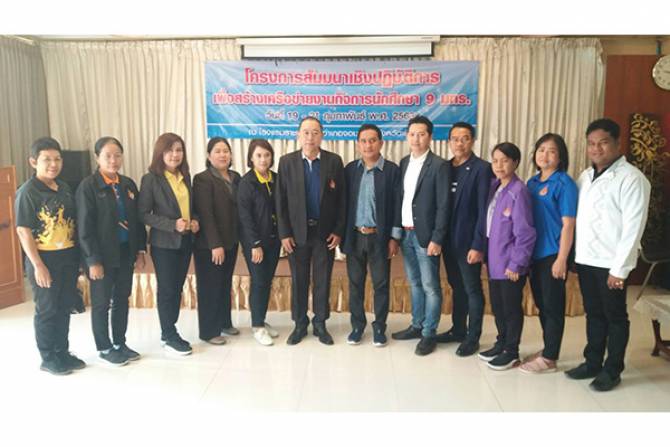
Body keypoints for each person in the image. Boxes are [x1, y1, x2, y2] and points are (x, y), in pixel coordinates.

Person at [565, 118, 650, 391]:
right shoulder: (585, 177)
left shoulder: (632, 179)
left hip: (611, 263)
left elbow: (633, 228)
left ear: (617, 143)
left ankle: (612, 370)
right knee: (593, 314)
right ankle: (592, 362)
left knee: (615, 317)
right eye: (591, 143)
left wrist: (620, 270)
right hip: (587, 259)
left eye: (602, 143)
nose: (596, 149)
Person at [15, 137, 85, 375]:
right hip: (44, 259)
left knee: (65, 306)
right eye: (47, 160)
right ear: (33, 162)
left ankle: (62, 352)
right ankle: (48, 357)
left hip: (67, 256)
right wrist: (38, 266)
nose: (53, 164)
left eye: (57, 159)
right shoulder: (27, 192)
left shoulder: (63, 187)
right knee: (47, 309)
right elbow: (23, 231)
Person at [76, 137, 147, 366]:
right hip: (102, 257)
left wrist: (140, 250)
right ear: (97, 158)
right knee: (101, 303)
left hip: (125, 252)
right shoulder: (88, 186)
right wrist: (93, 260)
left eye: (117, 155)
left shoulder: (127, 184)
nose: (113, 160)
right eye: (108, 156)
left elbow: (137, 221)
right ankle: (104, 347)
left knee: (122, 299)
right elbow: (84, 228)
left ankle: (119, 343)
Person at [276, 116, 346, 345]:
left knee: (322, 279)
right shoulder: (287, 162)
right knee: (299, 279)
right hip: (296, 235)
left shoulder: (334, 161)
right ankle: (299, 323)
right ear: (298, 135)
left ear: (322, 136)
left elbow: (342, 200)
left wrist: (338, 230)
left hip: (324, 234)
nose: (310, 137)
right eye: (306, 132)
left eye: (315, 132)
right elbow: (280, 201)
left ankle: (320, 323)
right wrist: (284, 233)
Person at [391, 116, 450, 356]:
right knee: (414, 283)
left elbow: (444, 205)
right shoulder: (404, 162)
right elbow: (401, 199)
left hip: (426, 236)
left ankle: (429, 333)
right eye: (412, 134)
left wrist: (437, 238)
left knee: (430, 286)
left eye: (422, 134)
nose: (416, 138)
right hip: (406, 234)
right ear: (407, 136)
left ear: (430, 137)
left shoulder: (439, 165)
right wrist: (396, 233)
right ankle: (417, 325)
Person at [520, 133, 577, 374]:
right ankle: (548, 349)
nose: (545, 155)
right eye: (541, 149)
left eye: (552, 151)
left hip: (553, 253)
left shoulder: (565, 184)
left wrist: (562, 259)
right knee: (542, 304)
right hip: (533, 253)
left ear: (560, 156)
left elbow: (569, 224)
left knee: (553, 307)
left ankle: (550, 358)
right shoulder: (532, 183)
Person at [435, 122, 493, 357]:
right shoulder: (445, 167)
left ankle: (473, 337)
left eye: (465, 138)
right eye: (455, 139)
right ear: (449, 142)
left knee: (472, 289)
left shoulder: (482, 169)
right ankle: (458, 329)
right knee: (456, 286)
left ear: (473, 141)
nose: (460, 143)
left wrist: (478, 245)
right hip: (448, 241)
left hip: (468, 242)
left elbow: (483, 210)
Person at [138, 133, 199, 355]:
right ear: (160, 153)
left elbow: (191, 208)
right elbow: (143, 214)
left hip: (185, 242)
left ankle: (170, 330)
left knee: (177, 288)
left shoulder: (186, 177)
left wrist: (195, 220)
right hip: (163, 244)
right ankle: (168, 334)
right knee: (167, 289)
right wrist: (173, 225)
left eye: (179, 150)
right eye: (170, 150)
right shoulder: (151, 179)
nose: (175, 154)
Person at [478, 142, 536, 371]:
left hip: (510, 264)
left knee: (511, 309)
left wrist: (517, 263)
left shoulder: (519, 191)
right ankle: (501, 343)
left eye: (505, 160)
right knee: (498, 307)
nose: (499, 165)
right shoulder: (496, 187)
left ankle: (512, 352)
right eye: (495, 160)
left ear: (516, 162)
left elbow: (526, 233)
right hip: (494, 261)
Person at [342, 124, 400, 347]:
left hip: (380, 238)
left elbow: (397, 205)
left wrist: (394, 238)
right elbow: (343, 205)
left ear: (381, 143)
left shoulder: (392, 171)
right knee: (355, 284)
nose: (368, 145)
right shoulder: (350, 170)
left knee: (381, 284)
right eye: (364, 141)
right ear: (358, 144)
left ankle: (379, 327)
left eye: (373, 140)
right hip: (355, 236)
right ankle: (357, 326)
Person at [192, 137, 241, 345]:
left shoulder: (236, 177)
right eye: (218, 151)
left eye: (226, 151)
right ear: (209, 155)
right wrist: (215, 244)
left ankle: (224, 322)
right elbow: (206, 213)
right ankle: (209, 331)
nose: (223, 155)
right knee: (210, 286)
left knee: (224, 283)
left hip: (231, 240)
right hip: (209, 245)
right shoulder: (202, 179)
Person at [238, 139, 281, 346]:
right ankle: (257, 326)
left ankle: (261, 319)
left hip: (274, 240)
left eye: (267, 155)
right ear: (251, 158)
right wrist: (255, 244)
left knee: (267, 280)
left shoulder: (276, 179)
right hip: (255, 243)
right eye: (259, 155)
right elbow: (244, 217)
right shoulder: (247, 183)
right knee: (259, 281)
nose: (263, 159)